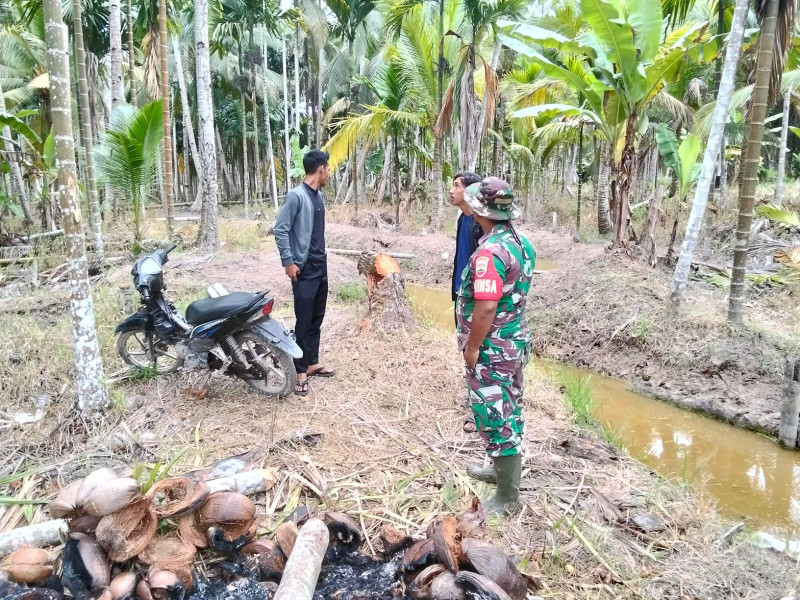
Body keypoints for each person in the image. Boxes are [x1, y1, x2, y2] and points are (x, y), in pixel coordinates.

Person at [455, 177, 536, 516]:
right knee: (507, 407)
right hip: (513, 341)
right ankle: (501, 471)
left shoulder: (489, 254)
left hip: (494, 348)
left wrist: (473, 348)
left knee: (496, 413)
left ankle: (507, 498)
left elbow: (486, 307)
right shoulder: (520, 241)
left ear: (479, 210)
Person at [273, 150, 335, 397]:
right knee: (303, 319)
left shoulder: (319, 197)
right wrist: (288, 262)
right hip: (304, 268)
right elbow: (281, 230)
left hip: (321, 266)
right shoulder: (296, 196)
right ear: (320, 168)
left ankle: (312, 362)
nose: (329, 173)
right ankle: (299, 371)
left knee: (316, 318)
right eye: (328, 168)